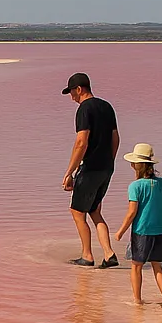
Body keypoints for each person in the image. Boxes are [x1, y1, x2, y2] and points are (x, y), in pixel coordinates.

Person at [61, 72, 120, 268]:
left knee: (77, 211)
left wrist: (70, 172)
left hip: (91, 168)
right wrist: (109, 162)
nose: (72, 97)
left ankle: (87, 255)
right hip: (106, 167)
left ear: (79, 89)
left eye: (71, 92)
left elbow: (81, 142)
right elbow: (115, 139)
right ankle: (109, 253)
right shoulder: (106, 106)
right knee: (94, 210)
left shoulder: (84, 109)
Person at [114, 144, 162, 306]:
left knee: (136, 266)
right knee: (157, 266)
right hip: (160, 231)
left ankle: (137, 300)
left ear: (136, 165)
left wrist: (120, 231)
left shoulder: (135, 186)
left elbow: (132, 212)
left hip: (141, 231)